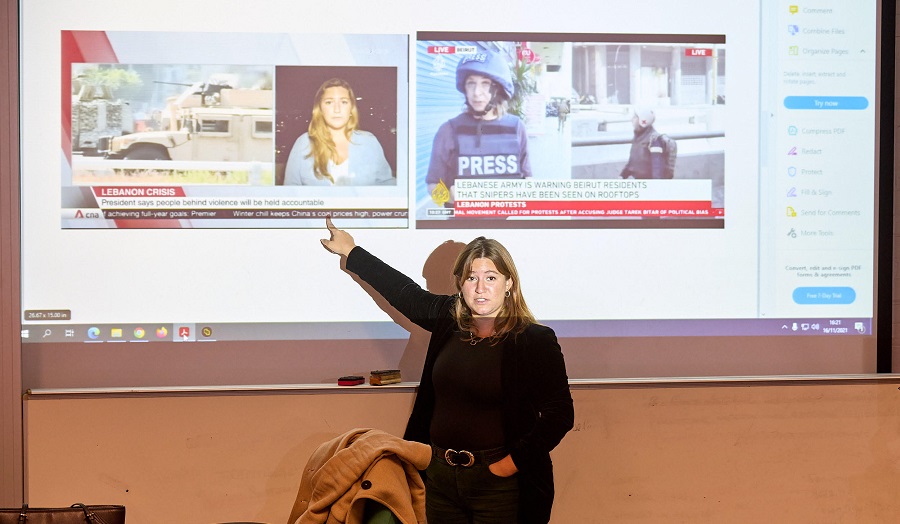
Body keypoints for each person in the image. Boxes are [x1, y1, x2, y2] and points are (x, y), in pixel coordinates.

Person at [321, 217, 574, 524]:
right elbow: (406, 294)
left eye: (491, 278)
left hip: (499, 485)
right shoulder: (447, 320)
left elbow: (560, 414)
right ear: (460, 284)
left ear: (509, 283)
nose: (480, 288)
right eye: (471, 278)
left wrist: (509, 465)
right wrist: (351, 251)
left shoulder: (534, 339)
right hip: (440, 478)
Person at [426, 50, 532, 206]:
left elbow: (528, 180)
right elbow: (432, 187)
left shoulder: (516, 128)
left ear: (499, 90)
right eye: (471, 83)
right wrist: (448, 196)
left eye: (485, 84)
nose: (476, 93)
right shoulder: (448, 130)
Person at [284, 78, 394, 186]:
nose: (337, 109)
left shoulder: (369, 142)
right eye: (329, 102)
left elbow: (386, 183)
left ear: (351, 109)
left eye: (344, 102)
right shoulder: (303, 143)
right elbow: (289, 192)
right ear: (321, 110)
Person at [619, 107, 677, 180]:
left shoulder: (655, 140)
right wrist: (623, 175)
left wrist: (655, 187)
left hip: (649, 185)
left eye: (635, 117)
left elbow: (657, 168)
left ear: (643, 120)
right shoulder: (637, 138)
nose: (632, 119)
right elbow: (633, 162)